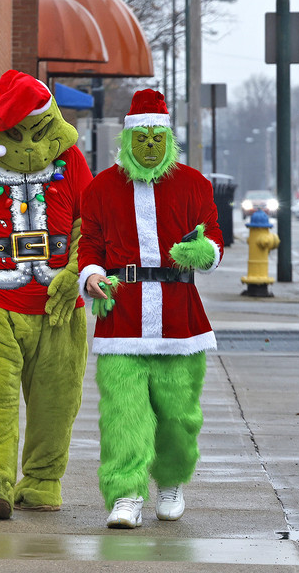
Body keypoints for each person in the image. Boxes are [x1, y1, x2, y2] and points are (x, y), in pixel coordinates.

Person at [0, 70, 92, 519]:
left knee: (57, 401)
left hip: (60, 312)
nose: (29, 146)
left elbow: (91, 227)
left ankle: (42, 480)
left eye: (39, 133)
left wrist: (74, 273)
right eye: (16, 135)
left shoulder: (74, 164)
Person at [78, 89, 223, 528]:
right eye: (140, 138)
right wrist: (91, 276)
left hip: (180, 320)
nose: (148, 147)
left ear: (167, 139)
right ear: (127, 140)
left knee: (178, 414)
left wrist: (204, 252)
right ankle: (125, 493)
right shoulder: (101, 188)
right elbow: (90, 246)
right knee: (124, 413)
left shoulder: (195, 185)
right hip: (122, 318)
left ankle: (172, 480)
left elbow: (214, 238)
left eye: (155, 138)